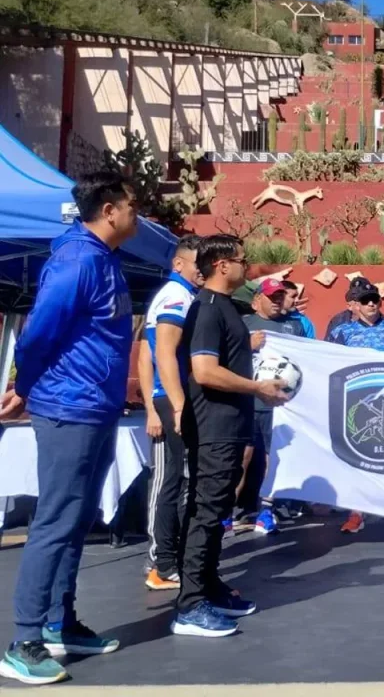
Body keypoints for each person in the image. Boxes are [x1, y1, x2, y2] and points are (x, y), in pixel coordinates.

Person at [0, 172, 138, 685]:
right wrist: (26, 384)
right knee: (55, 522)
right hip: (69, 408)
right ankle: (25, 639)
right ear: (108, 209)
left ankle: (61, 622)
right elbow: (39, 329)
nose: (136, 213)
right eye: (132, 205)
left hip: (96, 408)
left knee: (77, 521)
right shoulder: (78, 259)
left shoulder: (103, 260)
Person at [172, 234, 289, 638]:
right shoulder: (206, 309)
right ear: (222, 265)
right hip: (213, 428)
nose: (247, 266)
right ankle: (189, 605)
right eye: (242, 259)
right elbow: (203, 372)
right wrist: (258, 388)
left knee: (218, 509)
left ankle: (208, 586)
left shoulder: (225, 308)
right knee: (205, 513)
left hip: (230, 426)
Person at [139, 234, 203, 592]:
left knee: (181, 481)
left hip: (175, 398)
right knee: (167, 482)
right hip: (171, 400)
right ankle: (160, 563)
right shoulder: (175, 296)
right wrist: (169, 404)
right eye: (197, 265)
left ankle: (169, 557)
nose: (201, 272)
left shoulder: (184, 296)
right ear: (178, 264)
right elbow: (157, 353)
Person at [327, 285, 384, 535]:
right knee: (355, 459)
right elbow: (328, 364)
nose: (371, 304)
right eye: (365, 301)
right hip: (354, 403)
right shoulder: (342, 331)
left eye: (374, 300)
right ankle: (356, 513)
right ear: (356, 304)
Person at [238, 279, 309, 536]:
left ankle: (266, 511)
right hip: (246, 402)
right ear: (258, 299)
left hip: (280, 409)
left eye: (281, 297)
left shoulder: (295, 326)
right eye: (272, 297)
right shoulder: (244, 323)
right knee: (240, 460)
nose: (278, 302)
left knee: (274, 460)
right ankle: (224, 514)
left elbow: (307, 362)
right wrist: (247, 345)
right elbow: (223, 355)